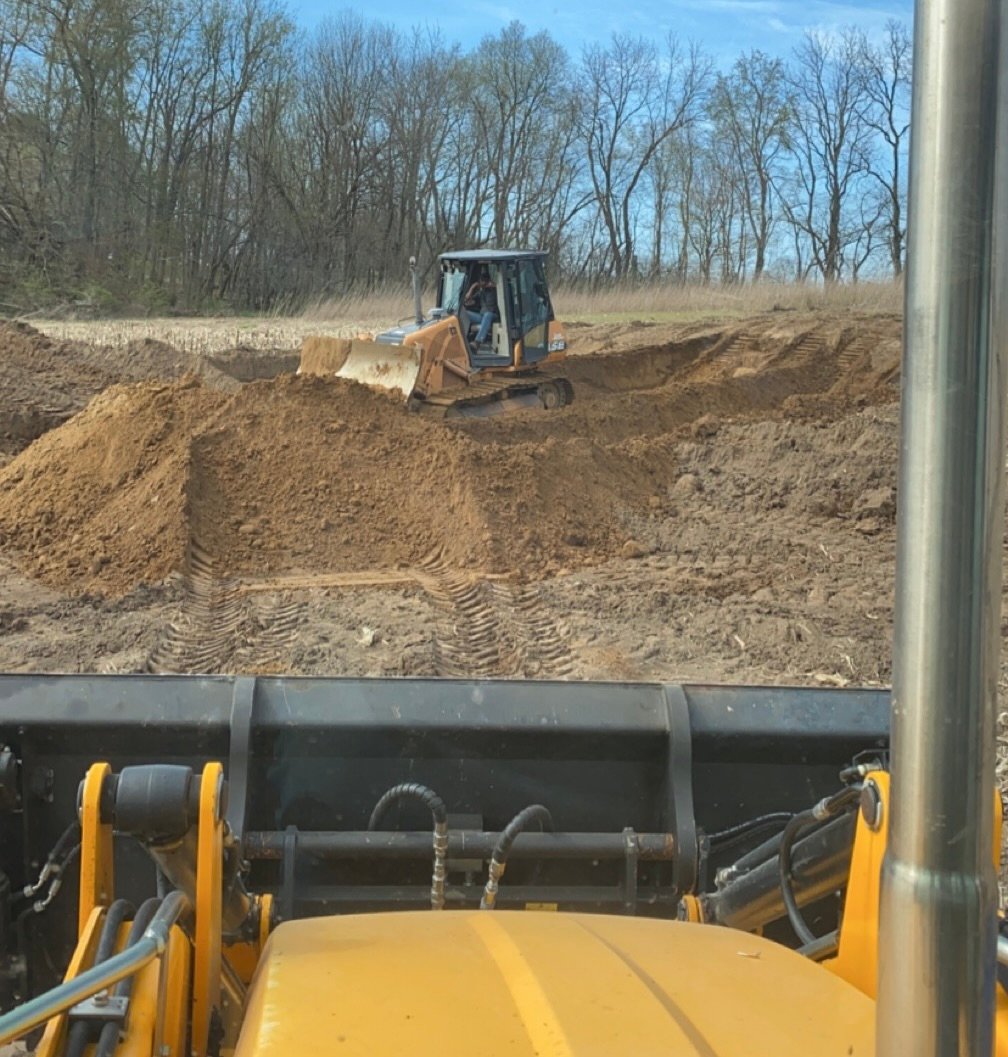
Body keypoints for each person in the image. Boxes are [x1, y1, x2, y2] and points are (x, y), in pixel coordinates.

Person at [463, 268, 499, 348]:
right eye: (481, 281)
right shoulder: (481, 293)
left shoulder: (495, 290)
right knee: (464, 313)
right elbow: (467, 299)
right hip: (482, 316)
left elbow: (502, 288)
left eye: (485, 281)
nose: (483, 283)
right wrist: (473, 287)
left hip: (493, 315)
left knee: (487, 315)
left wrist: (494, 285)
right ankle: (463, 339)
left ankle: (477, 341)